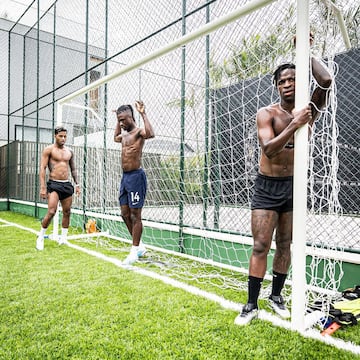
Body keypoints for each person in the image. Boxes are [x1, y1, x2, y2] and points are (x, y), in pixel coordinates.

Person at [235, 56, 332, 325]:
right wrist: (296, 123)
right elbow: (269, 148)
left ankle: (276, 296)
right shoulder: (267, 114)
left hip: (293, 186)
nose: (287, 84)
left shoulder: (309, 108)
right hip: (267, 186)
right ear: (277, 87)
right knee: (260, 245)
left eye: (292, 80)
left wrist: (306, 51)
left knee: (285, 245)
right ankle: (250, 304)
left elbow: (326, 81)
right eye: (282, 82)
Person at [114, 101, 155, 265]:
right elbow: (114, 137)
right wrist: (117, 121)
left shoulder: (138, 132)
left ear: (131, 117)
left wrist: (143, 113)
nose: (122, 123)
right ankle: (140, 246)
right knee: (124, 214)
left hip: (136, 177)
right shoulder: (123, 135)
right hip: (125, 178)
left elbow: (150, 134)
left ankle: (134, 250)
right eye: (119, 120)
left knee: (135, 215)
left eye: (123, 119)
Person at [36, 126, 80, 250]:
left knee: (67, 212)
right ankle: (40, 237)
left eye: (65, 136)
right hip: (53, 184)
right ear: (55, 135)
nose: (63, 138)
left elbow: (73, 169)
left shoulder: (69, 151)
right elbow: (42, 168)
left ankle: (64, 238)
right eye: (60, 136)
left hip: (66, 184)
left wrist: (77, 184)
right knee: (51, 211)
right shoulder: (48, 150)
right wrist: (43, 187)